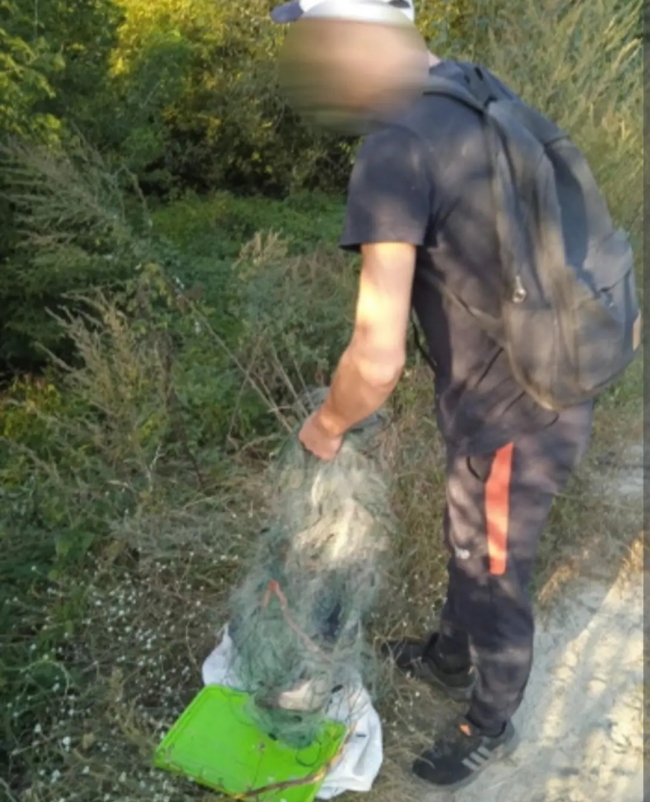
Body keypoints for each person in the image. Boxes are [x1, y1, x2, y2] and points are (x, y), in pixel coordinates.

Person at [270, 0, 594, 792]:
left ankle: (490, 720)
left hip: (521, 404)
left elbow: (375, 359)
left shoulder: (397, 146)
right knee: (468, 534)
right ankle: (449, 656)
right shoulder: (469, 87)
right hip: (527, 372)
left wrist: (328, 423)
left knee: (495, 567)